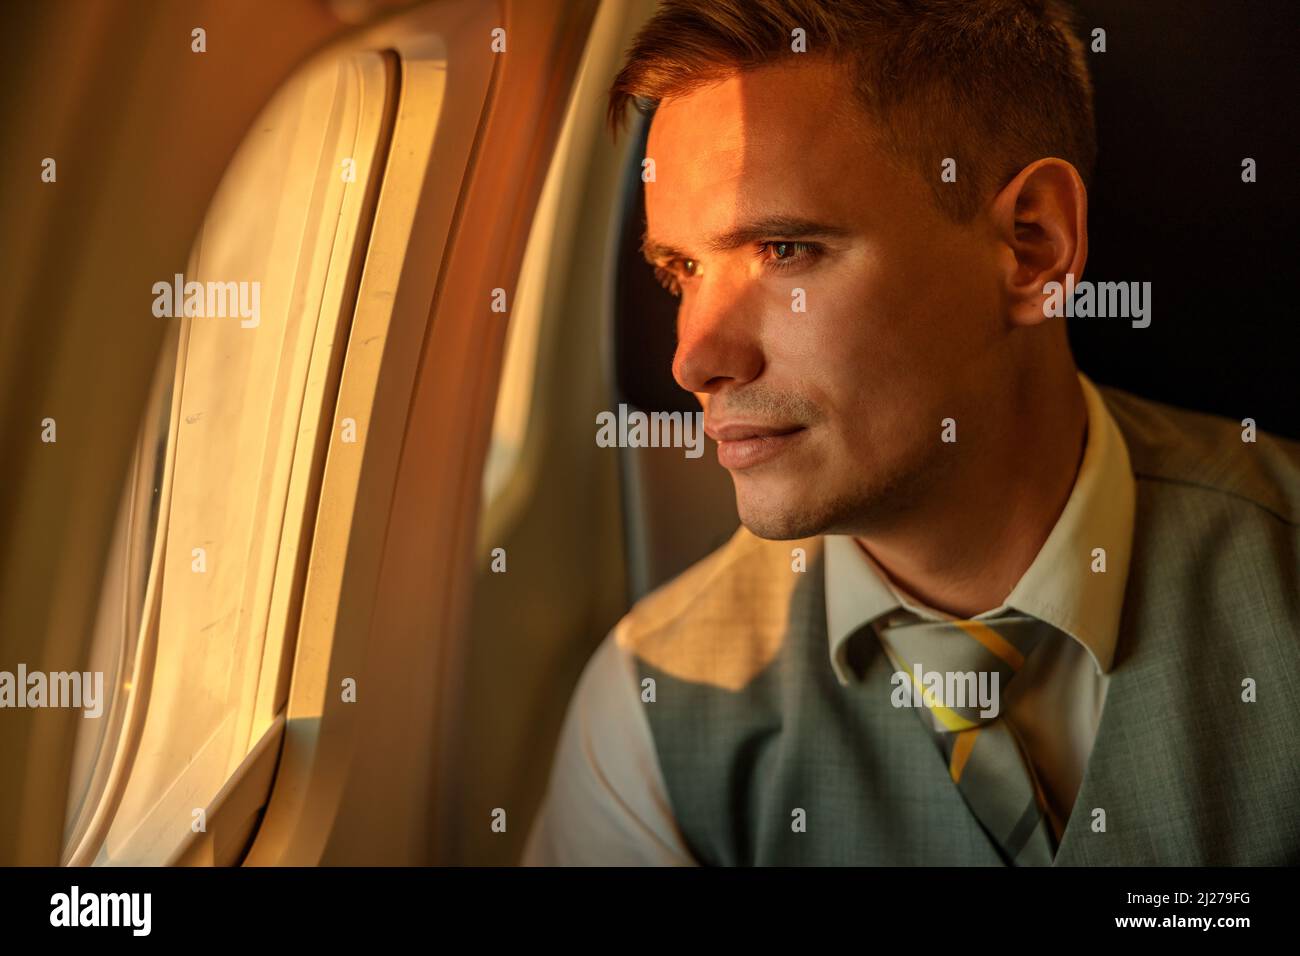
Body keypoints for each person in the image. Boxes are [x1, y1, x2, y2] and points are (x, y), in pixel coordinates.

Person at [523, 0, 1300, 866]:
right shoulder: (651, 707)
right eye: (682, 271)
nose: (695, 361)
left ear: (1032, 246)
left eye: (784, 250)